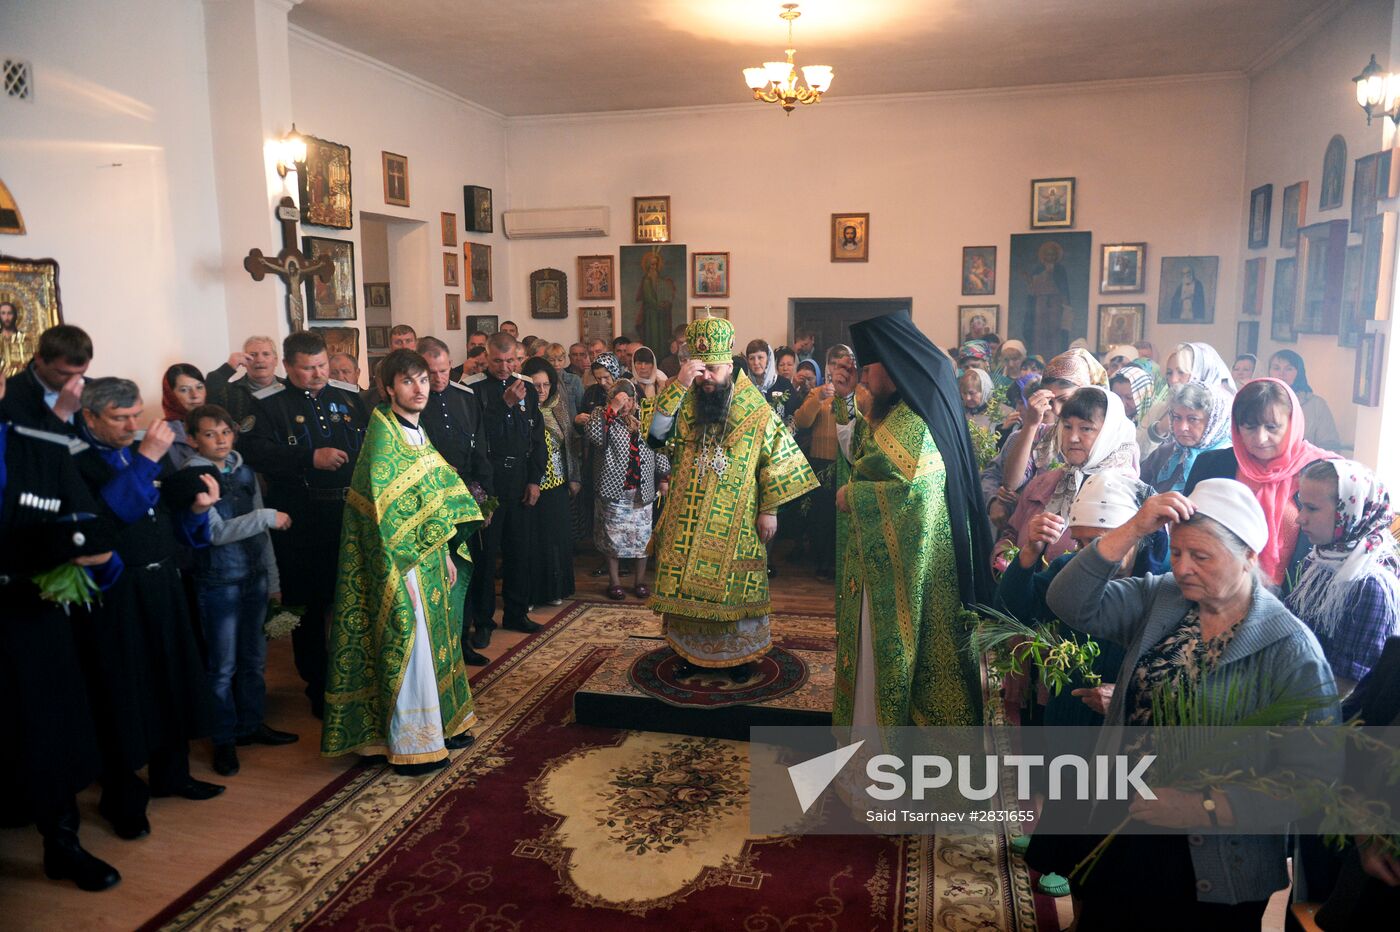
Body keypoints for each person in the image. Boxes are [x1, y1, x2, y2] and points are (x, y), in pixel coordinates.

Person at [1044, 481, 1337, 929]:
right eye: (1177, 552)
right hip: (1123, 823)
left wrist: (1204, 806)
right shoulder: (1162, 600)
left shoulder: (1289, 650)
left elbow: (1314, 780)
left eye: (1201, 556)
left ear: (1248, 557)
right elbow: (1068, 602)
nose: (1183, 568)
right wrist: (1135, 527)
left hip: (1217, 863)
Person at [74, 378, 224, 841]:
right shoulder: (78, 464)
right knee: (125, 689)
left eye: (135, 416)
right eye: (120, 419)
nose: (132, 426)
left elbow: (170, 516)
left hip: (163, 582)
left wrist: (198, 510)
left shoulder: (142, 453)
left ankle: (172, 774)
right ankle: (122, 798)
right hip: (117, 593)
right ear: (90, 418)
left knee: (172, 676)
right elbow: (109, 515)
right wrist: (145, 460)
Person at [322, 349, 484, 776]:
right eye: (409, 382)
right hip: (399, 563)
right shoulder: (383, 436)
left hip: (427, 556)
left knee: (439, 641)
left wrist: (446, 549)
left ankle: (444, 724)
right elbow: (385, 513)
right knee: (411, 644)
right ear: (389, 387)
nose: (419, 389)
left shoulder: (415, 431)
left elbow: (433, 495)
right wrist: (418, 554)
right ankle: (414, 741)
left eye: (424, 381)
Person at [830, 310, 992, 728]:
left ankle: (878, 768)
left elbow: (909, 489)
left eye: (867, 368)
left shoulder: (914, 422)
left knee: (889, 663)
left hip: (908, 578)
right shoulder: (897, 411)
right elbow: (865, 457)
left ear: (893, 364)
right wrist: (845, 398)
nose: (863, 377)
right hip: (887, 567)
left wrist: (854, 496)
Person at [0, 369, 122, 891]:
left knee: (48, 726)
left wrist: (94, 561)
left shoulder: (33, 442)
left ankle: (62, 843)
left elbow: (84, 520)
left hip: (32, 612)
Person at [647, 317, 817, 681]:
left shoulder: (754, 409)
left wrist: (769, 510)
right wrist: (678, 385)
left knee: (733, 591)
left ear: (730, 366)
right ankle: (689, 653)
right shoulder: (687, 400)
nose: (706, 378)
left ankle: (738, 656)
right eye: (700, 370)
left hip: (737, 519)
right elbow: (656, 435)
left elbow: (778, 459)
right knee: (685, 585)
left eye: (713, 369)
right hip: (688, 516)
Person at [239, 330, 365, 717]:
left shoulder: (348, 397)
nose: (317, 374)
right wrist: (310, 458)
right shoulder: (267, 405)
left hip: (346, 513)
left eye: (322, 365)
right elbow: (254, 450)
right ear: (287, 367)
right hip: (300, 518)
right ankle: (317, 684)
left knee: (349, 597)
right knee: (306, 606)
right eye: (308, 368)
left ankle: (354, 676)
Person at [181, 404, 297, 777]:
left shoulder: (244, 469)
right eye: (209, 434)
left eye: (225, 432)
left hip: (254, 576)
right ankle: (223, 739)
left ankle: (250, 724)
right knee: (222, 666)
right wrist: (265, 516)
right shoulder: (193, 477)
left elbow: (262, 535)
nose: (219, 440)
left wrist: (274, 581)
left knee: (254, 660)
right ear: (193, 440)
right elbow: (215, 533)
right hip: (220, 581)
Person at [1185, 378, 1337, 588]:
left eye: (1272, 427)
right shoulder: (1212, 465)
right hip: (1216, 592)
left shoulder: (1322, 471)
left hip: (1297, 601)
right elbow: (1187, 531)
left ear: (1292, 423)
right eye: (1250, 427)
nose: (1260, 438)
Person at [995, 386, 1140, 570]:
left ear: (1109, 434)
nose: (1072, 438)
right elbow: (1010, 534)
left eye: (1086, 428)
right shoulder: (1044, 483)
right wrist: (1005, 563)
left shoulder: (1126, 496)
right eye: (1067, 426)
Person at [1288, 459, 1400, 696]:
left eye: (1312, 508)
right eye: (1301, 505)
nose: (1300, 518)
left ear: (1349, 511)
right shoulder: (1324, 558)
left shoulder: (1368, 585)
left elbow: (1346, 686)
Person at [417, 337, 494, 665]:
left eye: (444, 370)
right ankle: (435, 650)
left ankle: (463, 642)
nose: (438, 378)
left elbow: (480, 449)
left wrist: (484, 498)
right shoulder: (413, 402)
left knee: (464, 571)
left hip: (464, 498)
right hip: (428, 502)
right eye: (431, 372)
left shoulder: (466, 398)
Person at [468, 333, 545, 648]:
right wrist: (505, 404)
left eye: (510, 360)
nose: (504, 367)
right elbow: (476, 433)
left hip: (520, 477)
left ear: (519, 358)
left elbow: (537, 436)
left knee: (520, 551)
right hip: (491, 478)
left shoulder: (527, 386)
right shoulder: (474, 389)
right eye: (497, 361)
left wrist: (535, 479)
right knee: (486, 556)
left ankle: (515, 612)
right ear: (486, 358)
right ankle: (483, 621)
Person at [793, 346, 870, 582]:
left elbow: (866, 426)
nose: (838, 370)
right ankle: (822, 562)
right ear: (828, 367)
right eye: (834, 365)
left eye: (843, 365)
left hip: (847, 464)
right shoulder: (818, 392)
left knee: (844, 517)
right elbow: (802, 421)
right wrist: (818, 399)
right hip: (820, 462)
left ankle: (843, 564)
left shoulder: (862, 394)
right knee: (821, 517)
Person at [587, 379, 669, 599]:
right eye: (621, 400)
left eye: (629, 399)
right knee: (613, 538)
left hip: (642, 489)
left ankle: (639, 581)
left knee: (642, 538)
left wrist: (664, 477)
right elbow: (595, 438)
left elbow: (658, 448)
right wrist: (612, 409)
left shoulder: (648, 416)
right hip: (613, 490)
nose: (626, 404)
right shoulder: (601, 415)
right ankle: (614, 582)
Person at [520, 357, 580, 607]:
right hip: (529, 485)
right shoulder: (519, 410)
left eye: (546, 385)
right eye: (536, 386)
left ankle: (556, 590)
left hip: (557, 482)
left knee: (556, 539)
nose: (542, 391)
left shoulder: (559, 407)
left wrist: (574, 477)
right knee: (533, 542)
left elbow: (571, 444)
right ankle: (532, 593)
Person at [1140, 381, 1232, 494]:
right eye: (1177, 417)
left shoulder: (1227, 464)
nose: (1182, 427)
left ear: (1214, 422)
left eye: (1193, 419)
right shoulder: (1165, 453)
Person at [0, 324, 91, 432]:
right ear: (39, 359)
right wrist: (62, 412)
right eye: (63, 373)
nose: (73, 380)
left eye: (80, 373)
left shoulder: (95, 389)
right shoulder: (7, 395)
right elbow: (23, 447)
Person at [1268, 349, 1342, 451]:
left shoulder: (1316, 405)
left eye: (1289, 369)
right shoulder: (1260, 401)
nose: (1281, 373)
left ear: (1299, 373)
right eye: (1276, 368)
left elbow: (1330, 446)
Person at [205, 335, 282, 429]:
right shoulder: (230, 392)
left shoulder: (288, 387)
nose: (259, 360)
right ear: (244, 361)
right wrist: (229, 366)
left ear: (276, 360)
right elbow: (210, 389)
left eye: (266, 354)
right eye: (253, 355)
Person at [159, 363, 206, 468]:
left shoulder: (216, 421)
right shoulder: (163, 433)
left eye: (199, 387)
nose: (195, 395)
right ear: (170, 395)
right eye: (184, 390)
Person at [745, 338, 792, 408]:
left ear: (768, 360)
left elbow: (793, 415)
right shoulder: (744, 386)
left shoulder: (785, 385)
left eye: (760, 357)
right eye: (752, 358)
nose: (756, 362)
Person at [0, 299, 38, 378]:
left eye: (9, 313)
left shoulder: (26, 339)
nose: (6, 317)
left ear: (15, 315)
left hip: (22, 380)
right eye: (3, 313)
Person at [546, 341, 584, 416]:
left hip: (572, 424)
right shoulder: (543, 381)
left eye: (560, 360)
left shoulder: (574, 380)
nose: (556, 364)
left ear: (565, 360)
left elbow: (581, 407)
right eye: (552, 360)